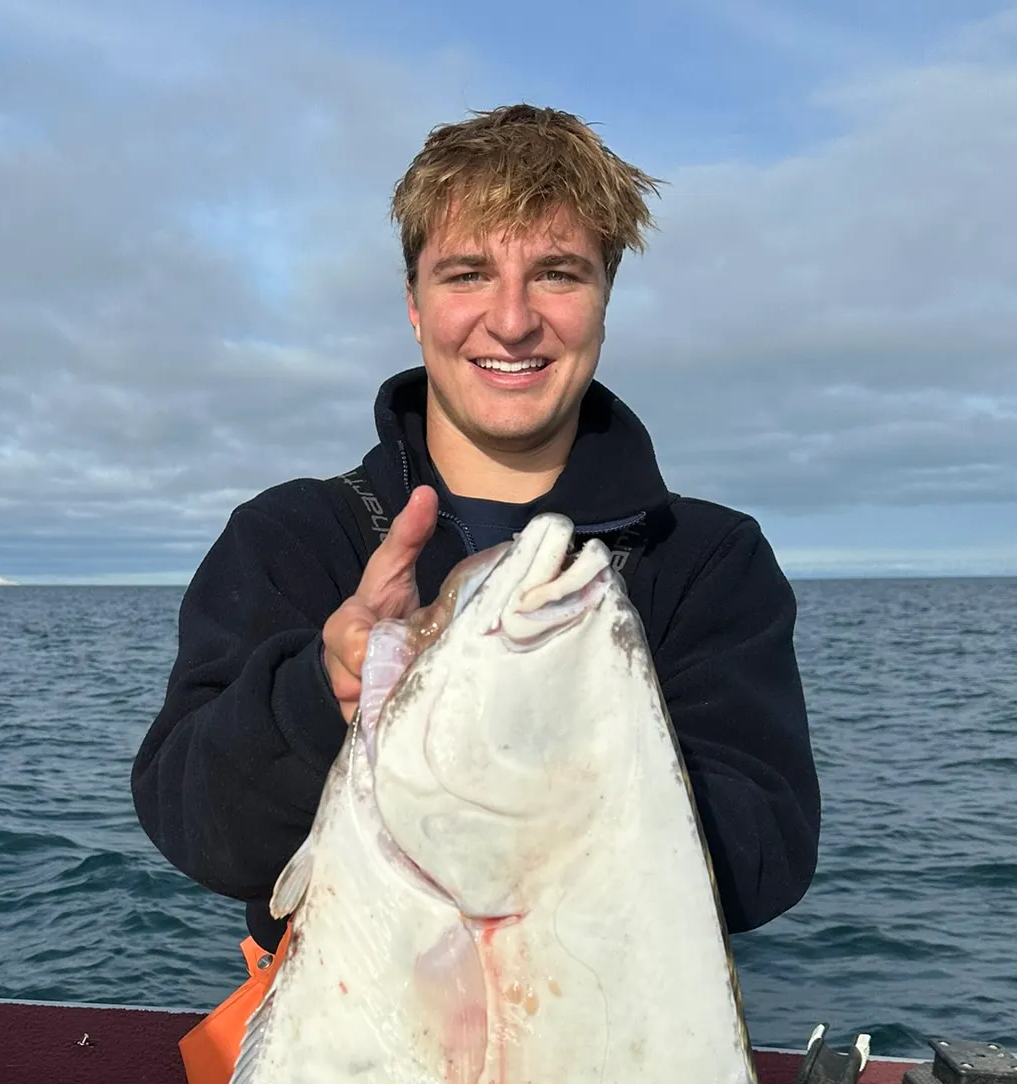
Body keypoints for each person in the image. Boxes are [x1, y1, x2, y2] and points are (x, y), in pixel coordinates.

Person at [133, 105, 819, 954]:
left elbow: (767, 858)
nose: (513, 320)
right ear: (415, 307)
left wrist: (561, 726)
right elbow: (197, 826)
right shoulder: (292, 535)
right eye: (465, 275)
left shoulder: (709, 560)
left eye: (559, 274)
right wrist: (326, 693)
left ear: (607, 299)